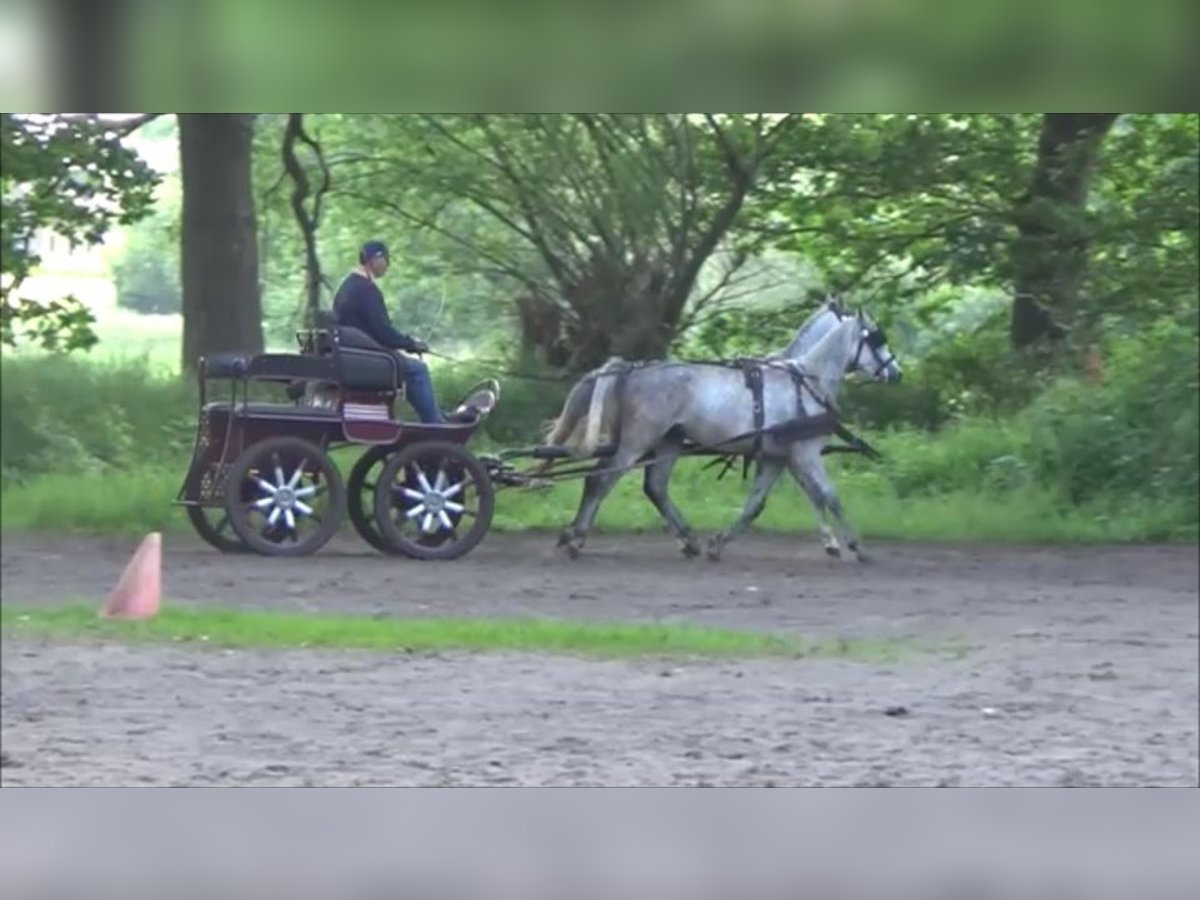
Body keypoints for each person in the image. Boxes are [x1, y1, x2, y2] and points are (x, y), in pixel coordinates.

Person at [332, 240, 448, 424]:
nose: (388, 264)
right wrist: (411, 344)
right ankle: (434, 422)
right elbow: (383, 332)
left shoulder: (347, 286)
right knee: (418, 369)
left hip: (354, 353)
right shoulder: (367, 290)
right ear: (375, 259)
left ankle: (434, 418)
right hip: (366, 358)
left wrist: (405, 344)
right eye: (386, 258)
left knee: (405, 364)